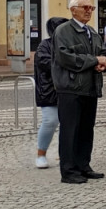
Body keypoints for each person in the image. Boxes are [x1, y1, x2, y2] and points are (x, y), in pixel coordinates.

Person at [52, 0, 106, 184]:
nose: (89, 10)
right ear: (73, 9)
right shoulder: (63, 31)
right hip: (70, 87)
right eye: (85, 7)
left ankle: (83, 165)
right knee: (70, 130)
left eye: (91, 7)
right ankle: (68, 171)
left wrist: (102, 62)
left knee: (86, 130)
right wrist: (94, 61)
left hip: (90, 87)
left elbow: (101, 52)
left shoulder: (92, 31)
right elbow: (64, 57)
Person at [33, 16, 68, 169]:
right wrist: (68, 62)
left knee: (69, 123)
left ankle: (65, 154)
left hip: (69, 89)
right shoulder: (44, 46)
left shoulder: (70, 44)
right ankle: (41, 154)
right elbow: (45, 63)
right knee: (50, 121)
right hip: (49, 90)